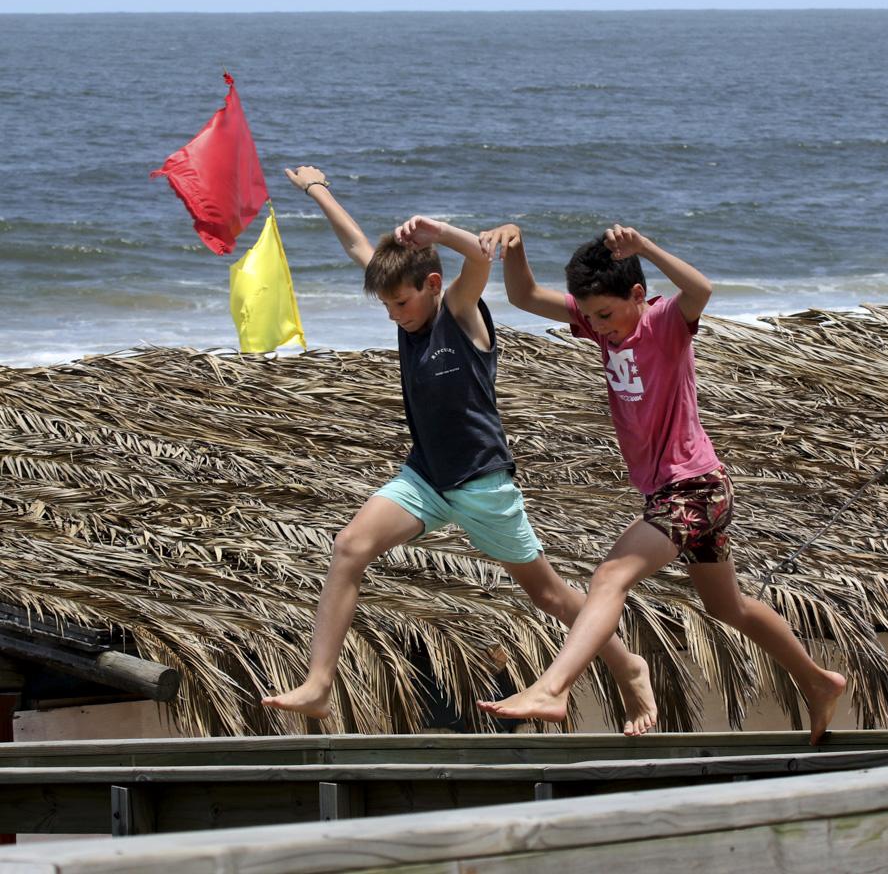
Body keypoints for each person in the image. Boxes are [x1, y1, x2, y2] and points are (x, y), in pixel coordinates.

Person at [261, 167, 658, 734]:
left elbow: (478, 257)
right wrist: (317, 188)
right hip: (425, 476)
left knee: (547, 593)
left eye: (401, 303)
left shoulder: (460, 311)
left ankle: (628, 665)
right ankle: (320, 685)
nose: (396, 316)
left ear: (431, 283)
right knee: (349, 547)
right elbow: (357, 243)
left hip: (480, 481)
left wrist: (436, 229)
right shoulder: (407, 311)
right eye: (387, 308)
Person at [475, 222, 847, 744]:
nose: (599, 328)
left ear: (637, 296)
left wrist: (645, 246)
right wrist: (516, 243)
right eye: (592, 318)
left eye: (606, 315)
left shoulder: (666, 322)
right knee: (728, 606)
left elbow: (701, 290)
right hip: (687, 492)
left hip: (693, 488)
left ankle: (553, 688)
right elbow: (524, 295)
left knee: (609, 578)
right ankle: (819, 680)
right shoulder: (600, 321)